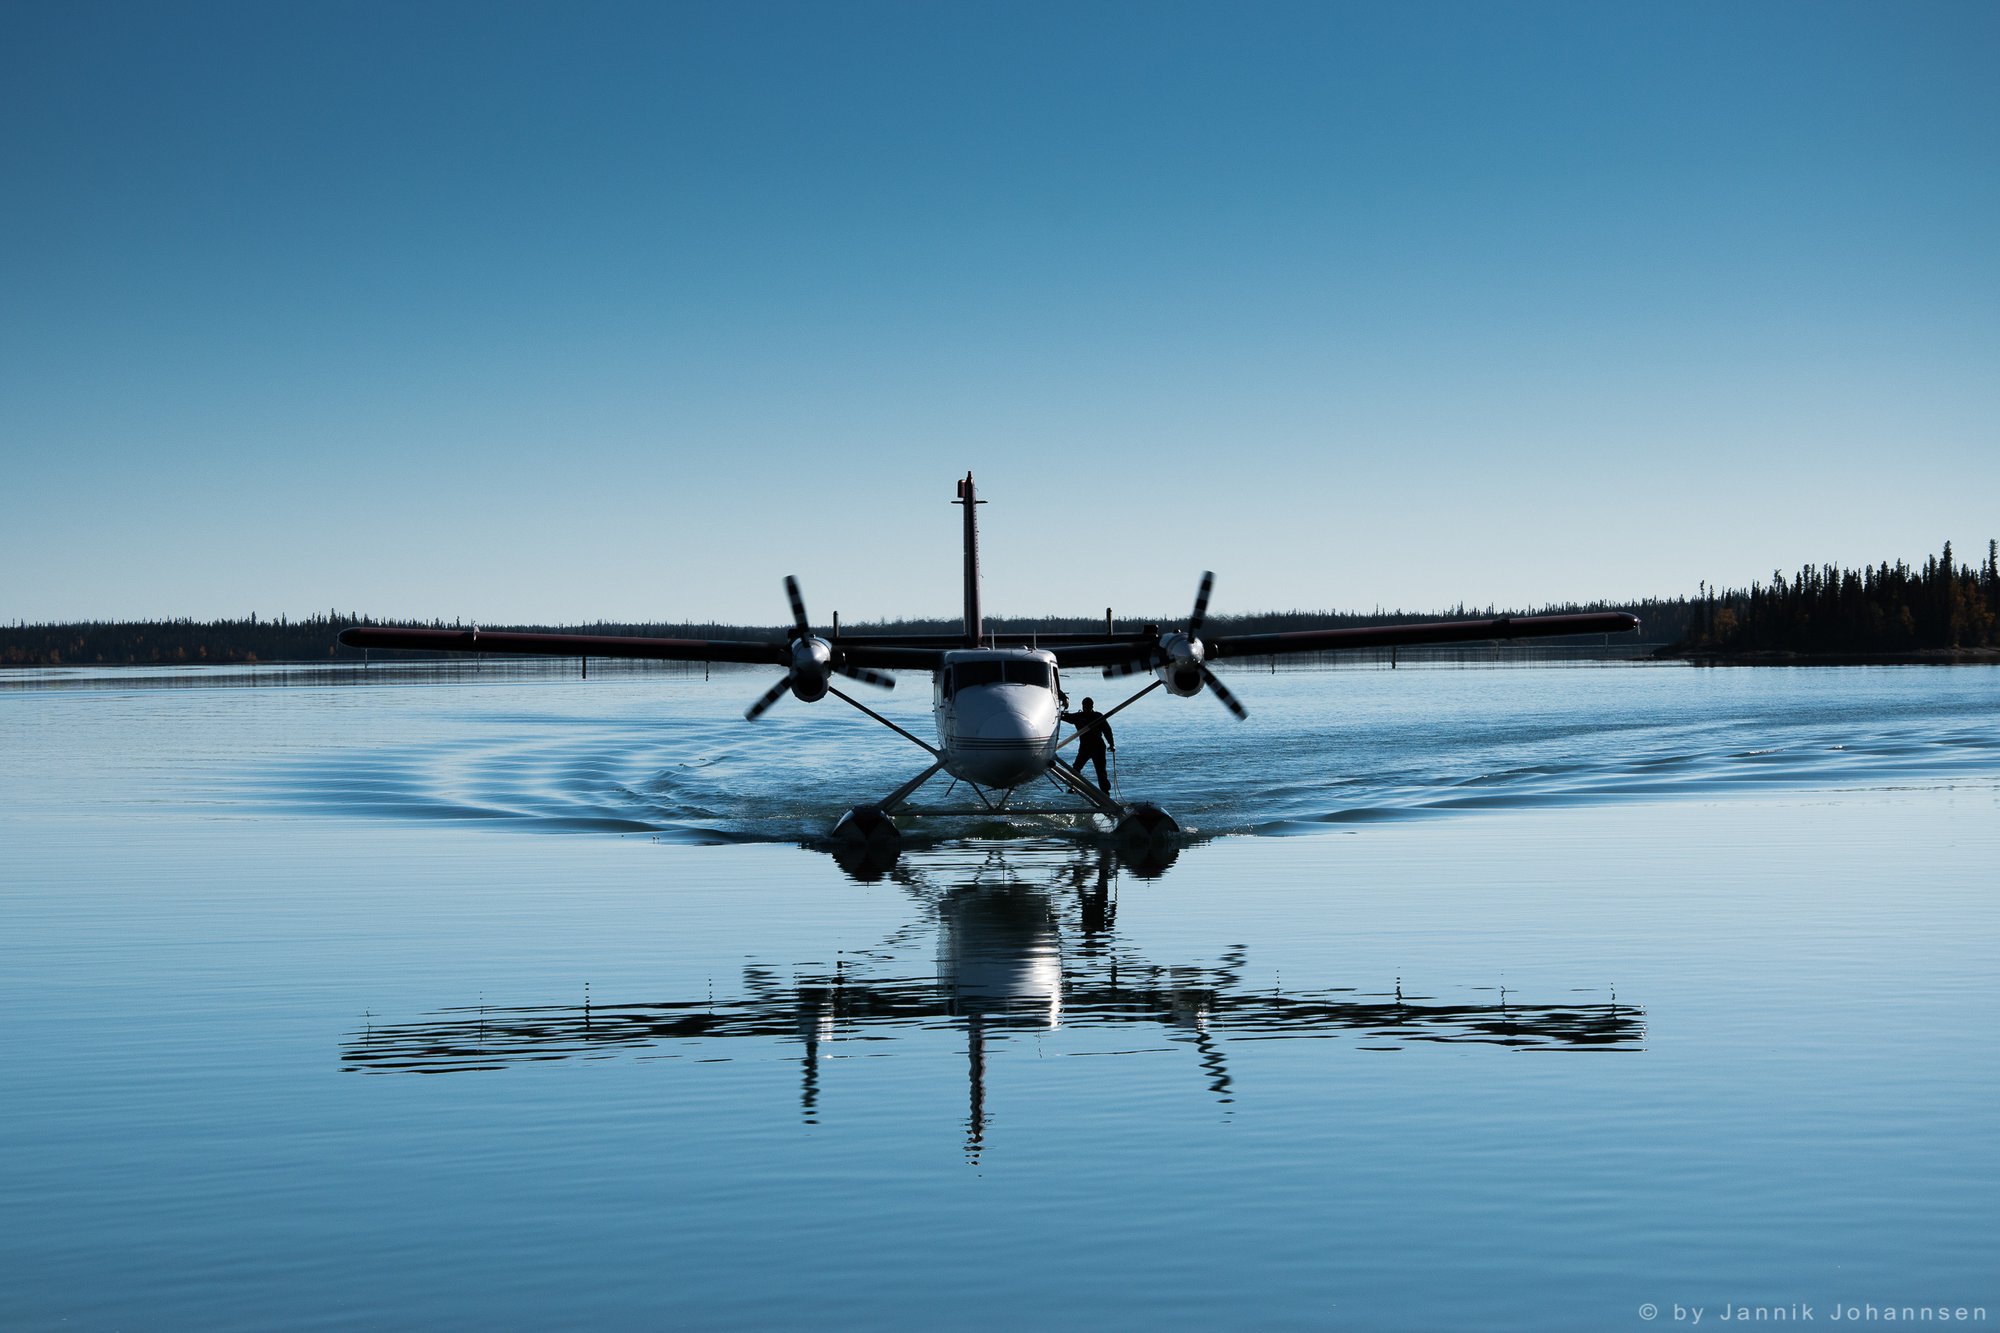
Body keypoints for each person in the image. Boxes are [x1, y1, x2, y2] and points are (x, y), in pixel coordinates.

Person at [1060, 696, 1115, 795]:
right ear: (1082, 706)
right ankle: (1073, 786)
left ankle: (1105, 792)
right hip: (1085, 748)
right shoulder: (1078, 716)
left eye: (1088, 706)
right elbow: (1065, 717)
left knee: (1101, 771)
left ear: (1092, 706)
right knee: (1076, 768)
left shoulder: (1098, 716)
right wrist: (1059, 714)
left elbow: (1107, 731)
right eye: (1085, 706)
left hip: (1098, 747)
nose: (1086, 708)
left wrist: (1111, 744)